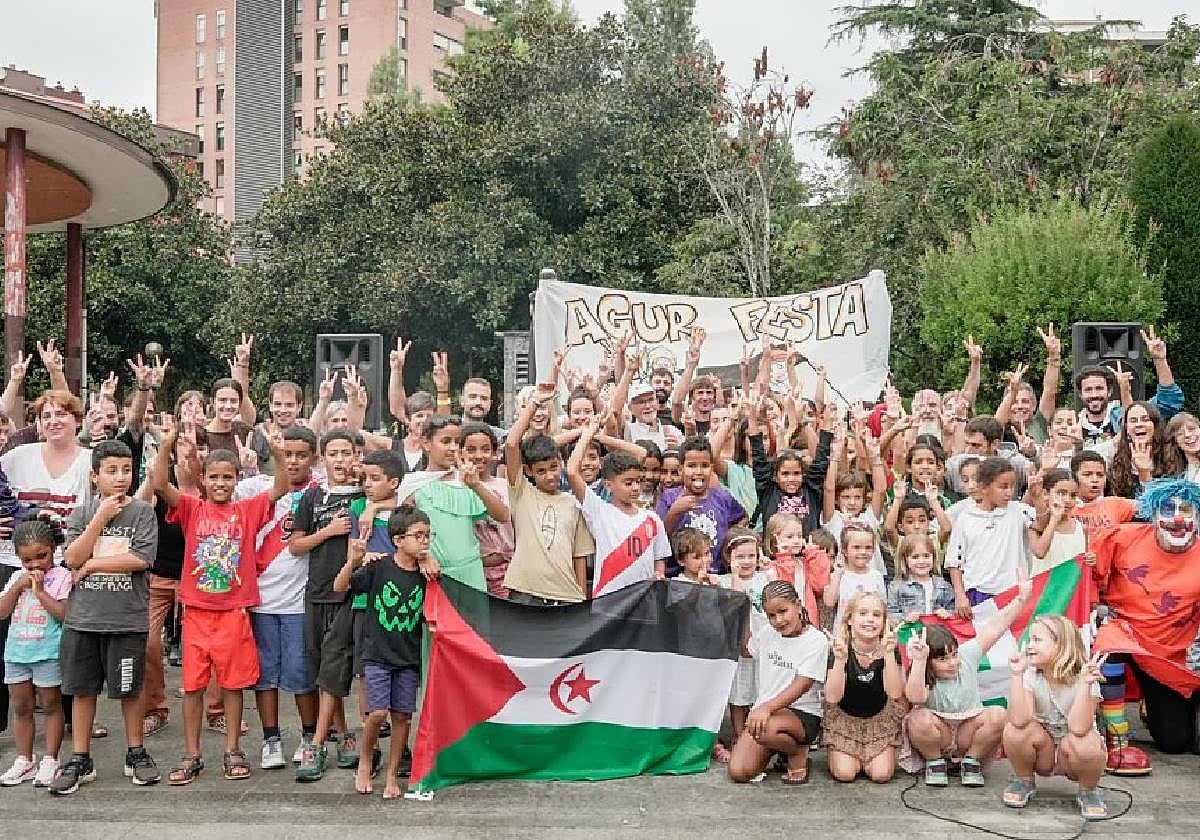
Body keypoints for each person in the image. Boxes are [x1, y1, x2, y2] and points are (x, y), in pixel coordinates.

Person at [153, 427, 289, 785]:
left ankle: (232, 749)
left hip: (233, 613)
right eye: (213, 477)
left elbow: (279, 488)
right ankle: (192, 753)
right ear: (202, 479)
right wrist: (166, 445)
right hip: (196, 613)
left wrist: (277, 453)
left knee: (232, 686)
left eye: (227, 477)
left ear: (238, 479)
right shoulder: (191, 508)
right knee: (193, 687)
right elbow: (159, 487)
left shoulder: (247, 510)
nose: (220, 483)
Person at [54, 440, 161, 794]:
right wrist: (100, 519)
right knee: (83, 691)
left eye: (126, 470)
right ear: (94, 476)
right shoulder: (83, 513)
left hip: (126, 620)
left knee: (130, 691)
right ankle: (81, 757)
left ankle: (136, 751)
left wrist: (93, 564)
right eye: (111, 471)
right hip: (83, 619)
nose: (120, 478)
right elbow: (71, 558)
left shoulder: (143, 512)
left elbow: (140, 560)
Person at [1090, 478, 1200, 774]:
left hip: (1167, 654)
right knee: (1109, 646)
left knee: (1175, 742)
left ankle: (1152, 710)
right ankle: (1118, 737)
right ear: (1153, 515)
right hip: (1121, 630)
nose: (1177, 518)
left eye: (1186, 509)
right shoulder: (1122, 538)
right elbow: (1090, 572)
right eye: (1168, 508)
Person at [235, 426, 322, 770]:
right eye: (288, 455)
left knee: (302, 674)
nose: (294, 461)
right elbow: (209, 489)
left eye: (302, 455)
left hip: (300, 604)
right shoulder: (257, 488)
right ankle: (271, 739)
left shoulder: (320, 492)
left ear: (314, 458)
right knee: (265, 675)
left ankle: (308, 735)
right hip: (261, 601)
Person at [901, 571, 1032, 786]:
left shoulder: (967, 655)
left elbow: (995, 627)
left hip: (967, 732)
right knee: (917, 718)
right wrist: (920, 660)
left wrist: (1021, 598)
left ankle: (971, 761)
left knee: (998, 714)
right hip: (938, 732)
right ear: (929, 661)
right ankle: (934, 762)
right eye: (943, 659)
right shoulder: (921, 668)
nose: (953, 662)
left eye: (953, 655)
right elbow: (915, 697)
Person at [336, 505, 430, 800]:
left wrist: (431, 560)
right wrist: (353, 562)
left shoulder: (427, 576)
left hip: (407, 658)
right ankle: (366, 760)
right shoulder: (379, 567)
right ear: (398, 540)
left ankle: (392, 774)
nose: (425, 541)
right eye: (418, 536)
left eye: (428, 535)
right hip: (377, 654)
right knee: (377, 713)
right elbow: (340, 587)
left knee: (403, 716)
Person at [289, 430, 362, 781]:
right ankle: (345, 735)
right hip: (315, 593)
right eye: (332, 453)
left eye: (346, 452)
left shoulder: (365, 496)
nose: (339, 459)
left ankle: (316, 745)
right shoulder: (311, 497)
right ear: (323, 459)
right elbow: (296, 545)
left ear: (355, 456)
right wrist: (329, 531)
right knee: (322, 669)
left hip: (348, 594)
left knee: (334, 664)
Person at [1002, 616, 1109, 821]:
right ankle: (1024, 780)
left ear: (1061, 645)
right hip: (1045, 752)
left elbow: (1078, 728)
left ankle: (1088, 791)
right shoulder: (1031, 675)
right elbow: (1018, 720)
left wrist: (1086, 684)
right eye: (1030, 639)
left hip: (1073, 754)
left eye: (1037, 640)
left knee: (1085, 742)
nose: (1030, 645)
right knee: (1014, 731)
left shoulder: (1086, 677)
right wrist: (1017, 675)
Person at [728, 580, 828, 784]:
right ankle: (778, 748)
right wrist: (745, 611)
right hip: (765, 715)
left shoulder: (816, 640)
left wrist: (765, 708)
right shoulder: (767, 632)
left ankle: (796, 752)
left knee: (764, 728)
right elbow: (747, 650)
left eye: (783, 611)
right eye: (771, 615)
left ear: (798, 605)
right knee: (739, 771)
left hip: (802, 713)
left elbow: (803, 683)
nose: (778, 620)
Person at [502, 386, 594, 605]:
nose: (550, 476)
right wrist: (535, 403)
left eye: (553, 467)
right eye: (541, 471)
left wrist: (580, 599)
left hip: (565, 596)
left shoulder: (573, 503)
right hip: (525, 591)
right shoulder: (522, 492)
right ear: (528, 471)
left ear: (561, 463)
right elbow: (512, 444)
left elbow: (579, 556)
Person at [400, 415, 509, 592]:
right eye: (445, 441)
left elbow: (502, 515)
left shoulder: (466, 480)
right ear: (426, 443)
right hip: (434, 573)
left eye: (457, 442)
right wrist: (423, 557)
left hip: (472, 575)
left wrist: (475, 485)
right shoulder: (413, 485)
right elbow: (402, 533)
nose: (453, 448)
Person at [0, 520, 70, 787]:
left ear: (53, 549)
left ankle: (51, 759)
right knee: (20, 707)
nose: (35, 565)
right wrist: (19, 586)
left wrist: (39, 592)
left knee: (51, 705)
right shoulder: (16, 577)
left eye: (42, 556)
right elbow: (2, 611)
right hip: (17, 651)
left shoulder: (61, 576)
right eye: (27, 560)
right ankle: (24, 759)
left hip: (47, 651)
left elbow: (64, 614)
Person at [569, 414, 671, 598]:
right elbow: (571, 471)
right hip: (608, 602)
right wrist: (587, 434)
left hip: (643, 603)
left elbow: (659, 558)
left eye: (638, 481)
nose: (635, 488)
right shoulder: (599, 511)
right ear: (608, 485)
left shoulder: (652, 519)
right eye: (628, 483)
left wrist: (601, 437)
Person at [822, 592, 906, 784]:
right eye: (863, 613)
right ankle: (841, 751)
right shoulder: (840, 649)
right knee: (845, 774)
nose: (870, 620)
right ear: (850, 620)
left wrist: (889, 654)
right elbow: (832, 697)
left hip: (879, 720)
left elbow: (894, 693)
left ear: (885, 622)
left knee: (881, 775)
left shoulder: (890, 649)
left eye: (877, 615)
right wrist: (841, 660)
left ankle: (877, 754)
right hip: (845, 720)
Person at [944, 457, 1034, 619]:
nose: (1009, 492)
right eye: (1003, 487)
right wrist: (960, 596)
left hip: (1013, 593)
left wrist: (1040, 482)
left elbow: (1041, 524)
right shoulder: (965, 518)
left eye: (1012, 487)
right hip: (978, 595)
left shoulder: (1019, 511)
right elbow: (954, 562)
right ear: (984, 487)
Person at [657, 436, 747, 575]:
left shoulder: (722, 497)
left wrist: (731, 539)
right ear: (681, 470)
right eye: (691, 466)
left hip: (717, 574)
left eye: (704, 466)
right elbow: (659, 537)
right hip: (680, 578)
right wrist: (675, 512)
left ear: (712, 468)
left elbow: (742, 517)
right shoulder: (669, 497)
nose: (698, 472)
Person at [715, 527, 770, 753]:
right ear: (729, 558)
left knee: (759, 689)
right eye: (740, 557)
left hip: (762, 643)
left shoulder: (765, 577)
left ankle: (757, 734)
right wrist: (736, 576)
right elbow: (735, 602)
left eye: (751, 556)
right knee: (739, 692)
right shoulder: (725, 581)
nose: (746, 561)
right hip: (736, 647)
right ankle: (738, 734)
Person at [749, 397, 831, 536]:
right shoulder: (768, 491)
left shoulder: (811, 491)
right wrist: (751, 416)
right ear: (775, 476)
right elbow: (758, 453)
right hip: (776, 556)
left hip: (808, 555)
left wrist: (828, 416)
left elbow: (821, 457)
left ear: (803, 475)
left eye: (796, 473)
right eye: (785, 474)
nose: (791, 479)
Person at [822, 426, 888, 576]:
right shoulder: (833, 519)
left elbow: (880, 490)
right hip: (842, 579)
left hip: (872, 579)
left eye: (857, 497)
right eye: (846, 497)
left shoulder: (868, 518)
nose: (852, 502)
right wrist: (835, 457)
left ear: (865, 500)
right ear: (837, 500)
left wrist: (875, 456)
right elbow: (829, 489)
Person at [462, 423, 514, 599]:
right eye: (470, 449)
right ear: (460, 452)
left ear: (495, 453)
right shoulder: (455, 488)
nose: (478, 456)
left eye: (485, 449)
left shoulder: (505, 487)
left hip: (505, 576)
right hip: (468, 576)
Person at [761, 512, 829, 628]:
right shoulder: (772, 567)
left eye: (799, 535)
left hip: (809, 623)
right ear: (775, 540)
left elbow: (820, 585)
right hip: (787, 624)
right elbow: (786, 592)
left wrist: (814, 555)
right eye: (790, 537)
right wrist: (784, 558)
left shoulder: (805, 562)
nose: (797, 540)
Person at [824, 523, 886, 631]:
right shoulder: (838, 575)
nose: (863, 552)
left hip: (870, 635)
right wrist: (838, 575)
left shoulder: (876, 576)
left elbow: (883, 607)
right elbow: (829, 602)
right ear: (844, 550)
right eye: (856, 547)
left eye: (868, 548)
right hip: (843, 635)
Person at [886, 532, 954, 624]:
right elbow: (891, 613)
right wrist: (905, 618)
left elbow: (953, 609)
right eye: (915, 557)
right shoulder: (896, 587)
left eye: (926, 556)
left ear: (933, 558)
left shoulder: (943, 585)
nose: (921, 561)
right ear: (905, 560)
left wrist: (947, 614)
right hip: (910, 634)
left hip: (938, 633)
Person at [1028, 469, 1086, 576]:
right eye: (1061, 493)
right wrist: (1054, 519)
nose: (1068, 500)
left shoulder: (1080, 527)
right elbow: (1040, 552)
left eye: (1073, 495)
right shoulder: (1036, 526)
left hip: (1070, 589)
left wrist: (1091, 559)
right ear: (1046, 494)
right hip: (1044, 589)